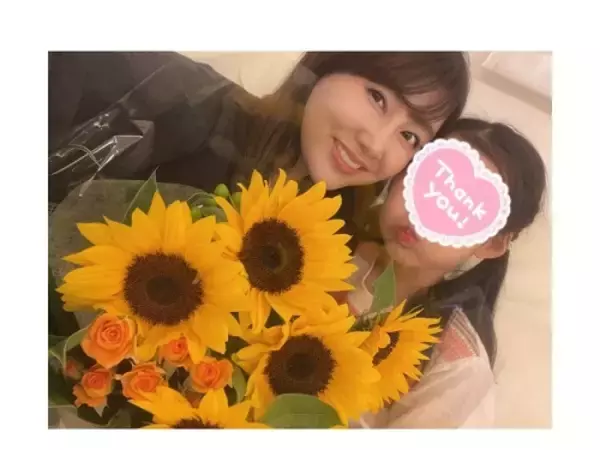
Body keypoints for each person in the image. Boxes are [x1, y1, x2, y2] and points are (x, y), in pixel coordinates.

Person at [48, 51, 469, 249]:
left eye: (410, 137)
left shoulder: (325, 244)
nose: (375, 145)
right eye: (377, 97)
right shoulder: (179, 100)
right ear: (328, 64)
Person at [341, 118, 547, 428]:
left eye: (461, 208)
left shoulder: (458, 367)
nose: (420, 214)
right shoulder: (324, 240)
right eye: (425, 181)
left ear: (492, 243)